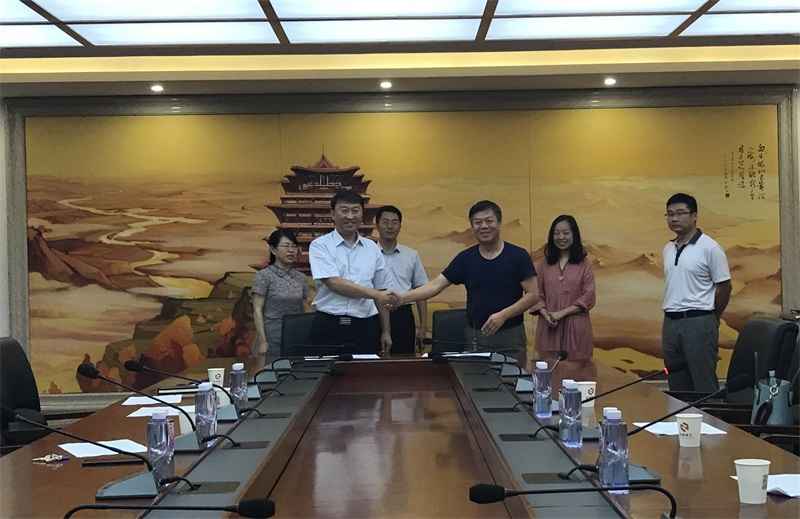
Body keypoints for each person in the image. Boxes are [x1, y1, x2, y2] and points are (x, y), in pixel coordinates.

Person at [391, 200, 539, 365]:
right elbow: (436, 285)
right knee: (475, 379)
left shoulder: (518, 256)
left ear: (499, 223)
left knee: (512, 379)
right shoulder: (465, 258)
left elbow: (533, 295)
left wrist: (503, 315)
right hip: (476, 337)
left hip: (510, 337)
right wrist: (402, 298)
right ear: (472, 227)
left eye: (489, 221)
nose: (484, 226)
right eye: (478, 222)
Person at [308, 189, 394, 355]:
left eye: (355, 210)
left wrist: (386, 331)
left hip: (366, 327)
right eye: (344, 210)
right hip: (329, 326)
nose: (350, 216)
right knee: (327, 370)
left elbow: (382, 289)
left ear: (362, 214)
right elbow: (335, 283)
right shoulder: (320, 245)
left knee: (366, 371)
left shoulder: (372, 248)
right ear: (333, 214)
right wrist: (376, 294)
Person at [662, 193, 732, 392]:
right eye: (670, 214)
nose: (674, 218)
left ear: (694, 216)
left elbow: (725, 286)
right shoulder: (668, 248)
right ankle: (680, 414)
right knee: (676, 383)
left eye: (680, 213)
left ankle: (710, 413)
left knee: (703, 382)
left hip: (699, 321)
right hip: (670, 322)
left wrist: (713, 316)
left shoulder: (710, 248)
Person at [529, 215, 596, 390]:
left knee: (577, 375)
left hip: (576, 325)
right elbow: (536, 293)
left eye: (566, 233)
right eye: (556, 233)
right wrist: (545, 314)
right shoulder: (544, 264)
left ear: (574, 235)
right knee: (547, 373)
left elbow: (589, 295)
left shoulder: (585, 264)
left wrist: (562, 313)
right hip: (549, 325)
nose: (561, 237)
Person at [375, 205, 429, 354]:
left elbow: (421, 291)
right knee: (373, 361)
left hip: (403, 315)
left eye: (394, 222)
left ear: (400, 226)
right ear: (377, 225)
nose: (390, 226)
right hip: (373, 314)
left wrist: (423, 328)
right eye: (385, 222)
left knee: (404, 360)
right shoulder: (368, 254)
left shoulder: (411, 255)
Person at [251, 229, 310, 357]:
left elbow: (304, 310)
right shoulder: (263, 276)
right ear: (273, 249)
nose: (291, 250)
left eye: (294, 246)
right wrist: (263, 341)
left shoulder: (301, 278)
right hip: (270, 337)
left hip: (295, 336)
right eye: (286, 246)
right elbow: (257, 310)